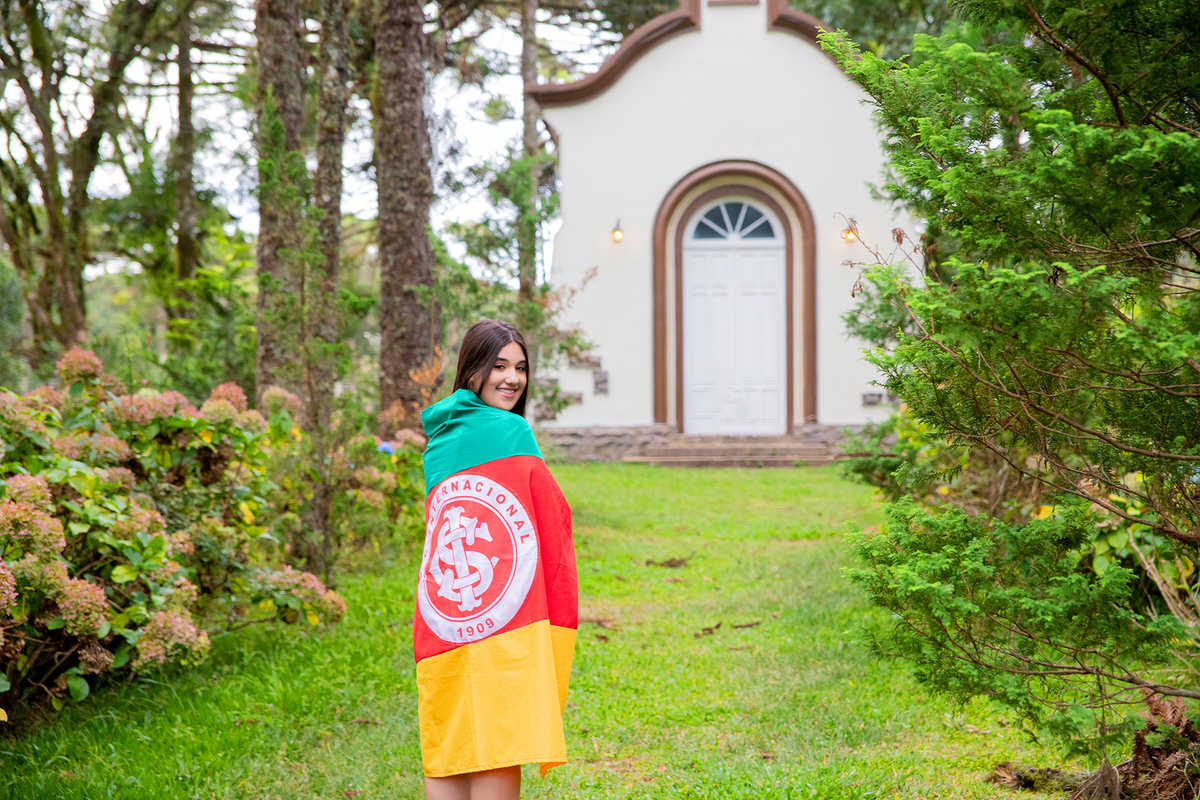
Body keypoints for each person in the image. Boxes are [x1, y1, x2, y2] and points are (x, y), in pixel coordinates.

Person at [414, 319, 579, 800]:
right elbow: (550, 517)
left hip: (444, 612)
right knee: (499, 736)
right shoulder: (511, 431)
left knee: (447, 736)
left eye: (521, 368)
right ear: (472, 370)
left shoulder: (440, 437)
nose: (512, 378)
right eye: (499, 366)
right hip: (503, 611)